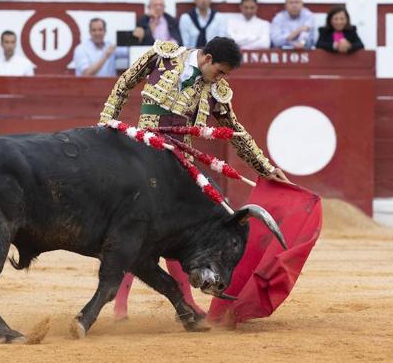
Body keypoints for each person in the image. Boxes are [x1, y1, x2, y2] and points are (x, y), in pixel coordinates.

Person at [98, 37, 291, 320]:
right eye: (221, 71)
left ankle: (185, 302)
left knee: (177, 234)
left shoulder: (217, 91)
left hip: (178, 165)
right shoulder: (162, 56)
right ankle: (120, 306)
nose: (221, 78)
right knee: (134, 230)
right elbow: (124, 84)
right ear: (207, 58)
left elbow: (236, 132)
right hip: (142, 156)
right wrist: (106, 123)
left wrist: (265, 168)